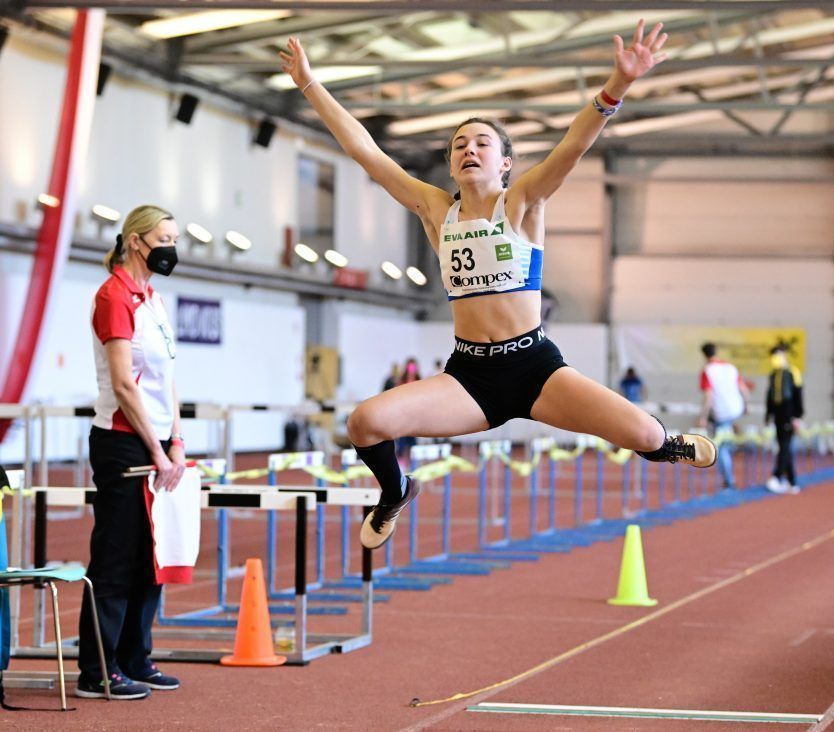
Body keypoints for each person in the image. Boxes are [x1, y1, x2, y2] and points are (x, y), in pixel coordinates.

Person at [279, 20, 716, 550]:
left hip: (536, 368)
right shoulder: (436, 210)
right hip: (470, 377)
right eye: (458, 144)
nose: (468, 149)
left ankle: (664, 445)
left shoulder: (524, 201)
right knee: (364, 422)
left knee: (646, 435)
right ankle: (394, 492)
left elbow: (573, 147)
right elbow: (368, 153)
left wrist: (616, 86)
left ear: (505, 162)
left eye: (482, 143)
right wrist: (309, 84)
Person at [76, 205, 185, 700]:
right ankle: (98, 670)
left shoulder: (155, 301)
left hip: (158, 442)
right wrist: (154, 452)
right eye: (165, 237)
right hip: (122, 441)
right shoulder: (113, 296)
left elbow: (169, 380)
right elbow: (124, 384)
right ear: (136, 241)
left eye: (176, 238)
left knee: (152, 556)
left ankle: (135, 658)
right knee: (117, 557)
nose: (172, 246)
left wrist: (176, 442)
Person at [696, 342, 750, 491]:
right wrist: (746, 406)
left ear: (704, 355)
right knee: (727, 437)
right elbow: (744, 389)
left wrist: (703, 416)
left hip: (722, 412)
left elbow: (708, 396)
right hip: (736, 408)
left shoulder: (707, 370)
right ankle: (732, 442)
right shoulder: (730, 367)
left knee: (722, 447)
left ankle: (729, 480)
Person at [764, 346, 803, 494]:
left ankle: (777, 476)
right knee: (783, 446)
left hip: (789, 414)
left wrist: (797, 416)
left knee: (785, 446)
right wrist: (768, 415)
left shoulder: (793, 372)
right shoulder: (773, 374)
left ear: (785, 355)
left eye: (778, 355)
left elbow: (798, 395)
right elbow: (770, 397)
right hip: (778, 415)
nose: (775, 359)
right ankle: (792, 482)